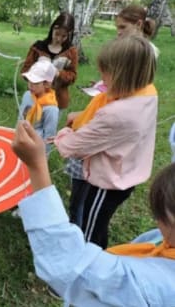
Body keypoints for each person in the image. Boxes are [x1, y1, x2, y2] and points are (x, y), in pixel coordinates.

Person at [12, 120, 175, 307]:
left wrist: (36, 165)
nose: (156, 219)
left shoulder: (148, 286)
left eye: (161, 215)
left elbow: (71, 268)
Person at [53, 35, 158, 250]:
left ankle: (88, 272)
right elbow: (114, 123)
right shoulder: (148, 92)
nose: (101, 76)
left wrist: (63, 133)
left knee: (89, 233)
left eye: (106, 71)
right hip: (127, 174)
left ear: (123, 75)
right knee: (99, 223)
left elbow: (71, 146)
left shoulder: (117, 115)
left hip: (107, 184)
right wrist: (85, 114)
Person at [81, 4, 158, 97]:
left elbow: (132, 84)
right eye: (117, 28)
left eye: (123, 27)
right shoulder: (126, 48)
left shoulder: (145, 52)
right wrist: (102, 84)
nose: (118, 32)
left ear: (138, 24)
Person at [21, 12, 77, 110]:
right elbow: (25, 71)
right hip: (35, 98)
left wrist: (58, 74)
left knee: (49, 124)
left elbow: (72, 76)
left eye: (64, 36)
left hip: (57, 101)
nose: (59, 39)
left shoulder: (71, 52)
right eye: (57, 34)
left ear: (69, 35)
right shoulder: (37, 48)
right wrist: (37, 74)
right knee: (28, 123)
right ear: (52, 28)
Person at [19, 59, 58, 155]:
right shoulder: (27, 95)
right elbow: (21, 116)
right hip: (22, 139)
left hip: (35, 147)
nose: (30, 86)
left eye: (35, 83)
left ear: (47, 84)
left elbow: (49, 135)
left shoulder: (51, 108)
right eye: (29, 81)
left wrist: (43, 155)